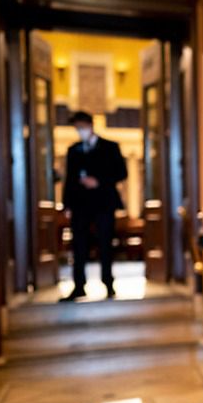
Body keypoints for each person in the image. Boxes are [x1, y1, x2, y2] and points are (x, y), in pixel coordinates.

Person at [60, 111, 128, 302]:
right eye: (77, 127)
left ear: (90, 125)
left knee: (105, 244)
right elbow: (69, 180)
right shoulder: (74, 150)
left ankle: (108, 283)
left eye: (81, 126)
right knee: (79, 245)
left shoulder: (110, 147)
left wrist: (98, 181)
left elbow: (121, 173)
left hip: (103, 202)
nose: (79, 131)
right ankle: (79, 286)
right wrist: (67, 205)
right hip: (81, 205)